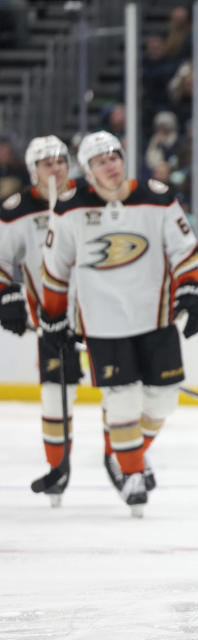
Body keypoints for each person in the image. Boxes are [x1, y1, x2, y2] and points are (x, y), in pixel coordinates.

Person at [41, 131, 198, 517]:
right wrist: (53, 317)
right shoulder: (68, 208)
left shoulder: (158, 196)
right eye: (100, 161)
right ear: (87, 171)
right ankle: (131, 473)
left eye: (115, 156)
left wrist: (192, 293)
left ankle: (122, 450)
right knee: (123, 399)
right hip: (102, 324)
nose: (111, 165)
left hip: (156, 317)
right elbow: (54, 269)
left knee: (163, 399)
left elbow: (185, 251)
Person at [0, 136, 83, 506]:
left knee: (123, 396)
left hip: (104, 318)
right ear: (33, 171)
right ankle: (57, 470)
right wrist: (8, 295)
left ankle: (125, 465)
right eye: (47, 163)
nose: (56, 169)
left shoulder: (89, 199)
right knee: (54, 399)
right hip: (51, 322)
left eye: (61, 161)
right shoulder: (16, 211)